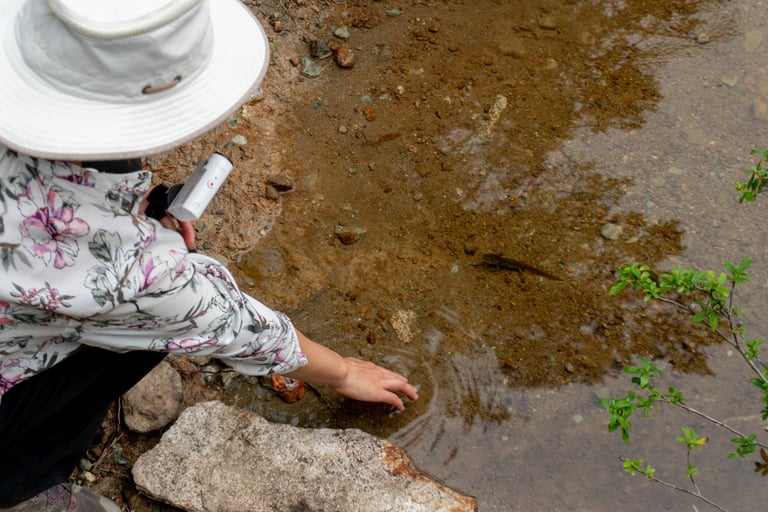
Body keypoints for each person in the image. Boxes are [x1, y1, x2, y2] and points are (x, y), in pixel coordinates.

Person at [0, 0, 418, 510]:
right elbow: (220, 316)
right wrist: (343, 372)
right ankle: (22, 485)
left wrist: (133, 209)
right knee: (138, 340)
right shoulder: (134, 272)